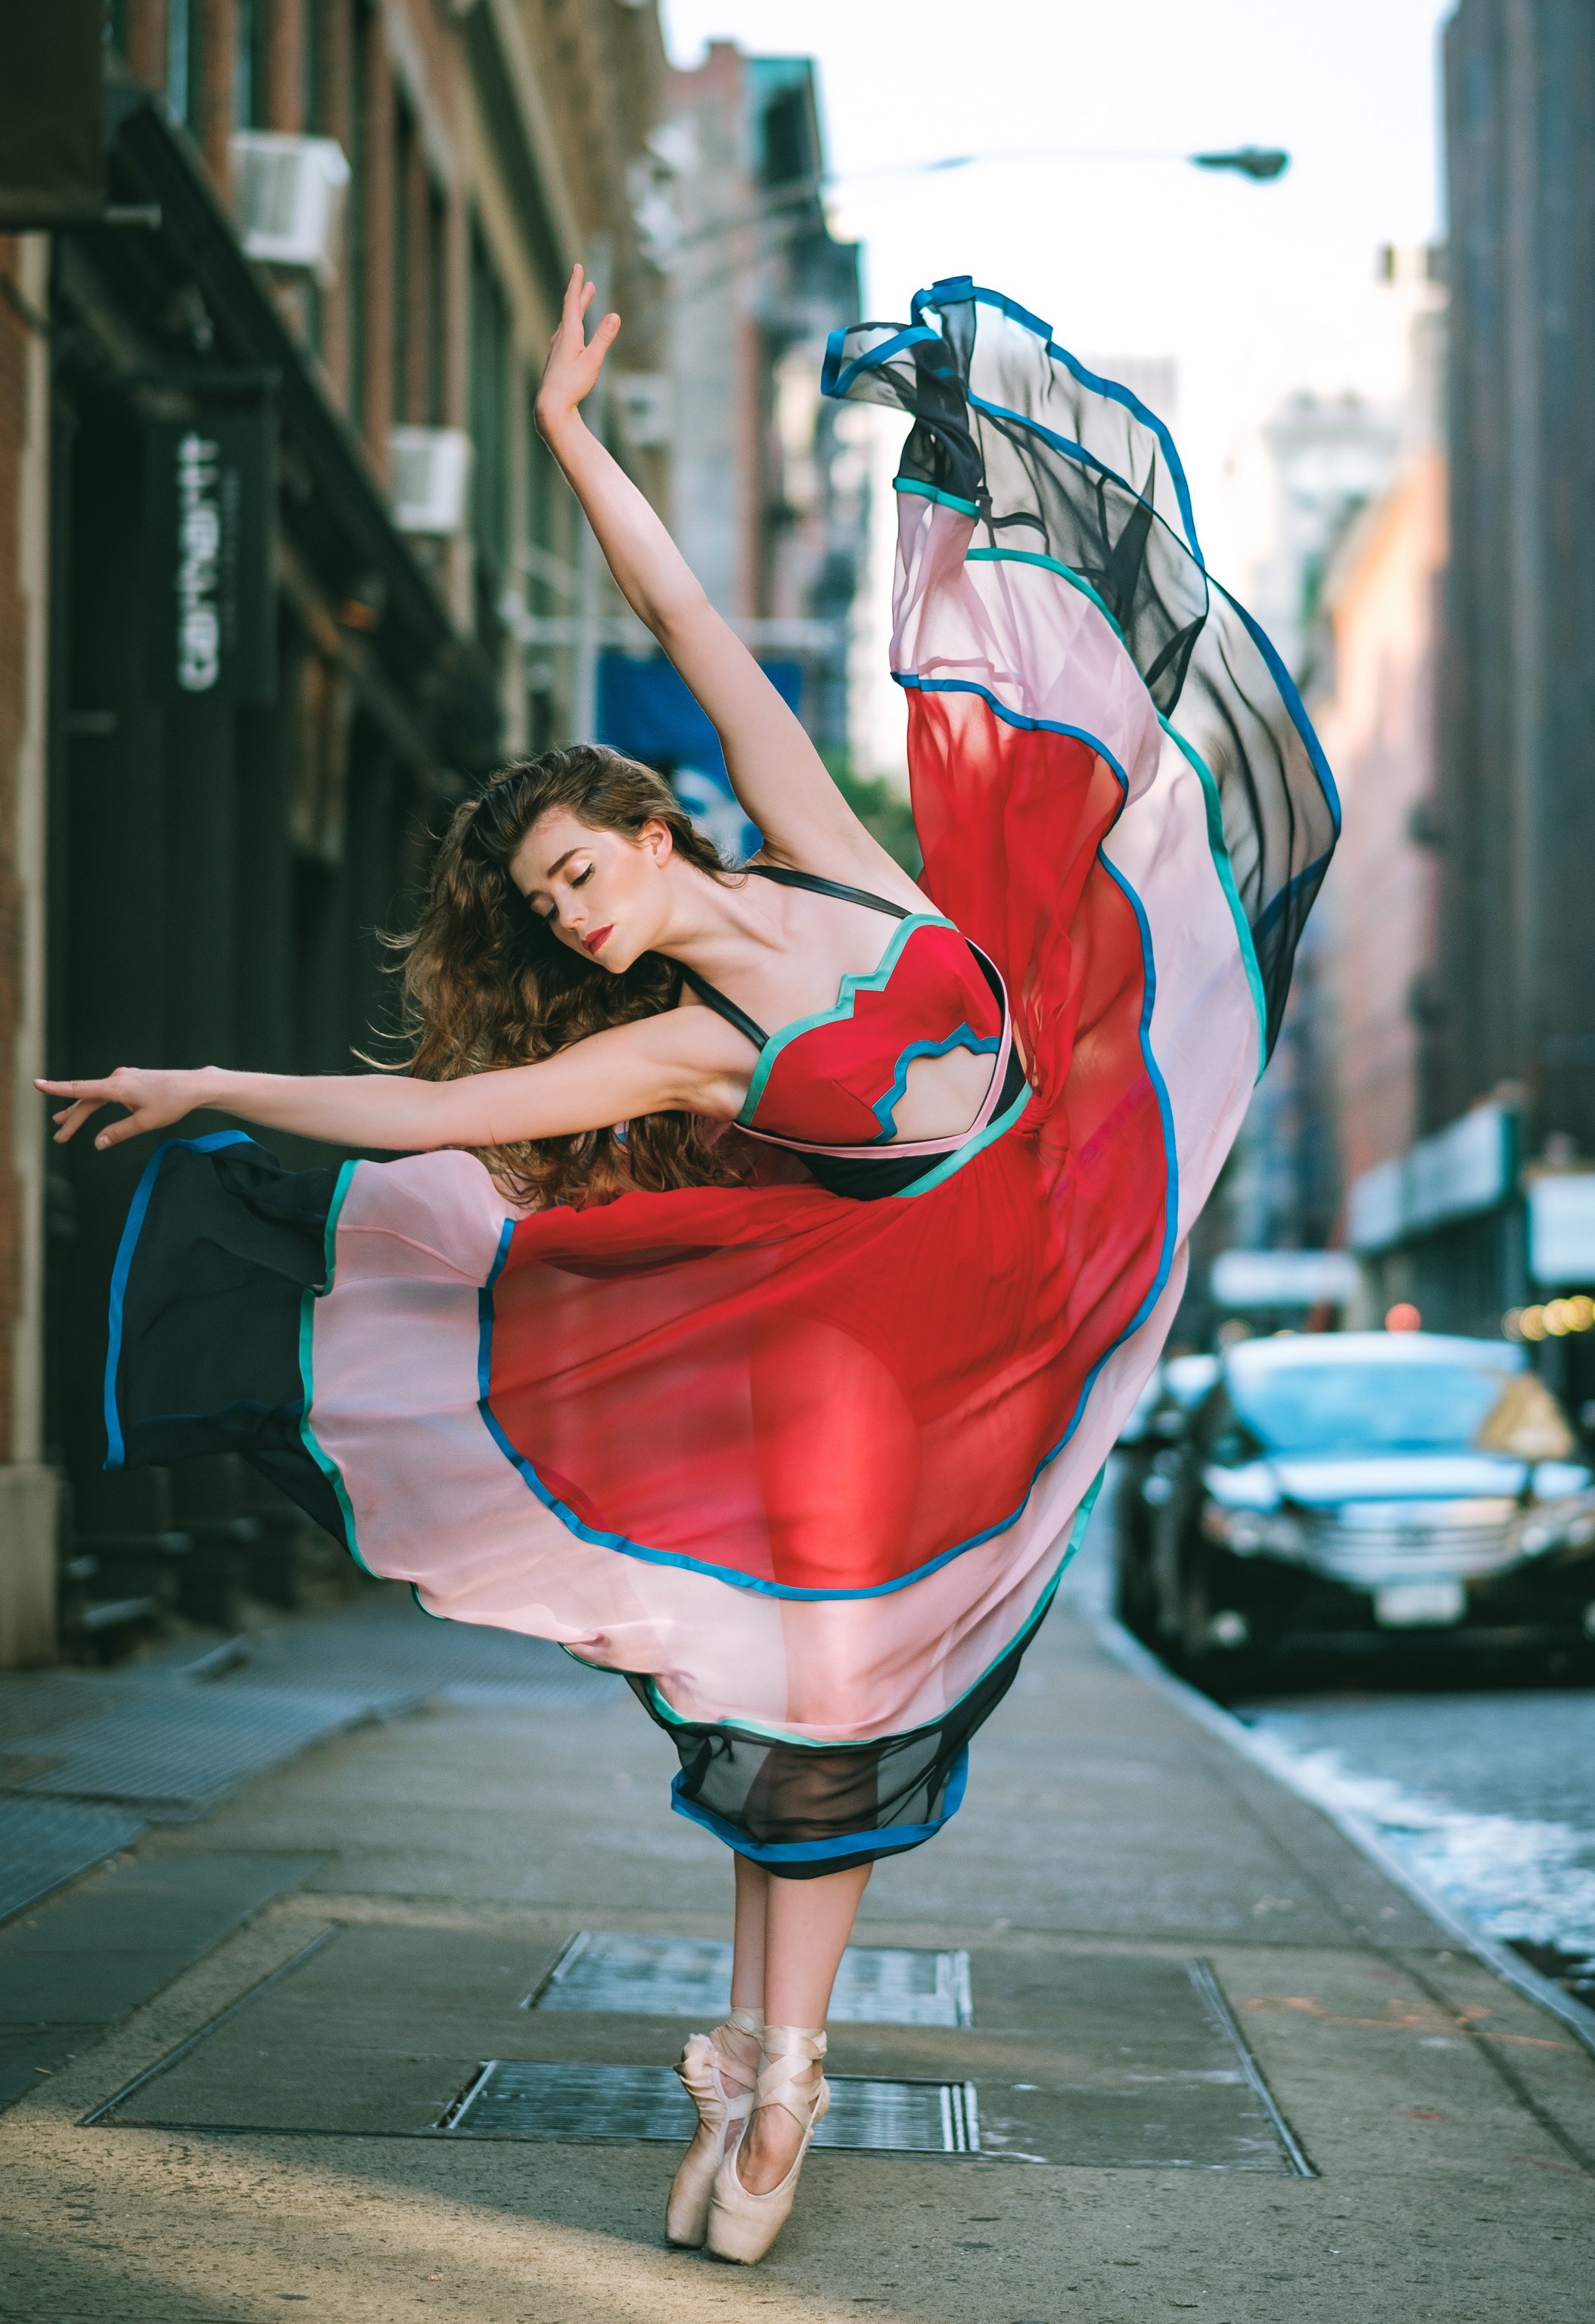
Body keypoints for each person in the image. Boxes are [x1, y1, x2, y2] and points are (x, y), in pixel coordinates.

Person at [42, 267, 1337, 2263]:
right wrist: (206, 1074)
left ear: (652, 827)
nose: (569, 919)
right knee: (805, 1730)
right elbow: (435, 1124)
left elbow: (683, 621)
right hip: (862, 1390)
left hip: (1038, 1265)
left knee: (824, 1722)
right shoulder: (688, 1045)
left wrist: (568, 431)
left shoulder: (827, 852)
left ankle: (765, 2078)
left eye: (579, 872)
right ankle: (769, 2081)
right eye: (545, 908)